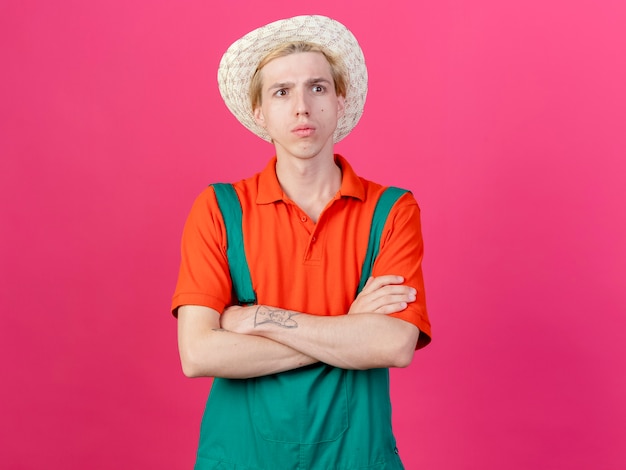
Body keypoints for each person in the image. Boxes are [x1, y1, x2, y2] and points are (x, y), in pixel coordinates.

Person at [172, 15, 432, 470]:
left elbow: (394, 345)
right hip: (239, 458)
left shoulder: (391, 210)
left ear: (339, 99)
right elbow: (197, 354)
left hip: (357, 458)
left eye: (317, 87)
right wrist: (349, 328)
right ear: (259, 113)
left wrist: (257, 318)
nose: (301, 108)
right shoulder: (218, 208)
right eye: (281, 92)